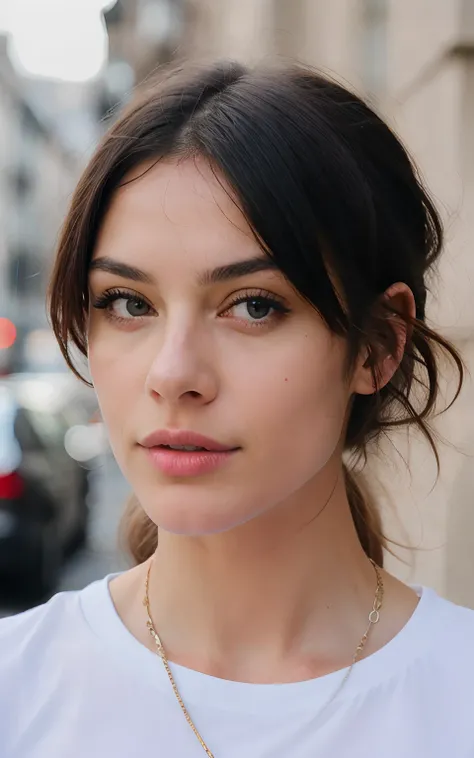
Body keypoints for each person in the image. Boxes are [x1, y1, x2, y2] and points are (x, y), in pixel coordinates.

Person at [0, 60, 472, 758]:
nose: (173, 374)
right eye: (128, 304)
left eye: (254, 306)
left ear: (377, 347)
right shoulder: (18, 690)